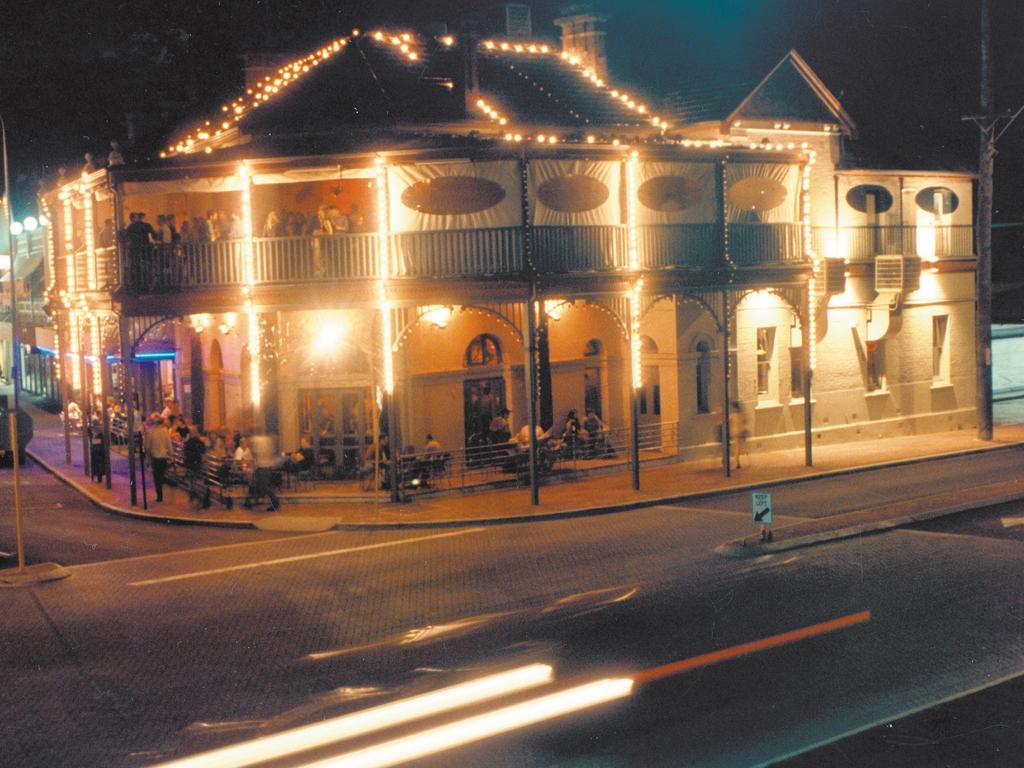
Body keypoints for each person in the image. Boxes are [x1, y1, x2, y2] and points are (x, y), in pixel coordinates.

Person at [249, 431, 281, 511]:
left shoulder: (256, 440)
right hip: (267, 465)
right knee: (261, 485)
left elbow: (255, 454)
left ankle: (275, 502)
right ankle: (252, 501)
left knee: (264, 486)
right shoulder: (267, 440)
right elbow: (271, 452)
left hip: (262, 466)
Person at [143, 414, 171, 503]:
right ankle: (161, 492)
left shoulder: (151, 432)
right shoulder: (165, 432)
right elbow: (169, 444)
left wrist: (147, 456)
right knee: (162, 475)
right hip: (163, 456)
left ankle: (159, 496)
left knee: (157, 477)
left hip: (155, 457)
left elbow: (147, 446)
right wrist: (171, 454)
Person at [728, 400, 748, 470]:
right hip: (741, 431)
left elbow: (727, 420)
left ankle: (736, 462)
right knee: (738, 447)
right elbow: (745, 421)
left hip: (735, 431)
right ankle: (737, 461)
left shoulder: (733, 414)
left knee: (736, 447)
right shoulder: (741, 414)